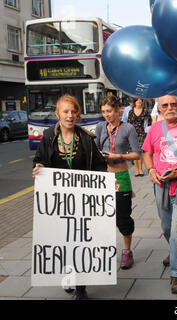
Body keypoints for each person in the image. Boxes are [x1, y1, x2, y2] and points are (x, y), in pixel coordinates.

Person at [32, 94, 107, 300]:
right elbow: (39, 161)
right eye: (65, 111)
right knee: (63, 241)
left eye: (74, 111)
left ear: (78, 114)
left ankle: (81, 287)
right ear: (58, 114)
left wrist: (108, 184)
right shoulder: (48, 137)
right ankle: (67, 274)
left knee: (81, 243)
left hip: (83, 202)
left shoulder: (85, 138)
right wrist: (38, 168)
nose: (70, 115)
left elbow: (99, 166)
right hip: (59, 202)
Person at [142, 94, 177, 294]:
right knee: (166, 228)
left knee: (176, 232)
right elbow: (147, 152)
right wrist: (150, 170)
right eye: (165, 105)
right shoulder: (155, 128)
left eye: (173, 104)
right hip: (161, 187)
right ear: (159, 108)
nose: (170, 107)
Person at [95, 95, 142, 270]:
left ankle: (127, 251)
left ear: (117, 110)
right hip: (102, 176)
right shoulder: (100, 127)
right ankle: (102, 250)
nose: (106, 115)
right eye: (103, 112)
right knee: (102, 216)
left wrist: (119, 156)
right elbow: (95, 148)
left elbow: (137, 154)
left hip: (121, 175)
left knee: (123, 217)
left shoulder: (128, 128)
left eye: (109, 111)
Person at [127, 98, 151, 177]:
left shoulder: (145, 111)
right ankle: (137, 170)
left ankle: (140, 169)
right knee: (134, 152)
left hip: (141, 133)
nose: (139, 101)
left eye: (140, 100)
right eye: (137, 100)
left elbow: (149, 121)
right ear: (134, 102)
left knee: (139, 152)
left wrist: (149, 131)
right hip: (132, 133)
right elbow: (128, 123)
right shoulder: (131, 111)